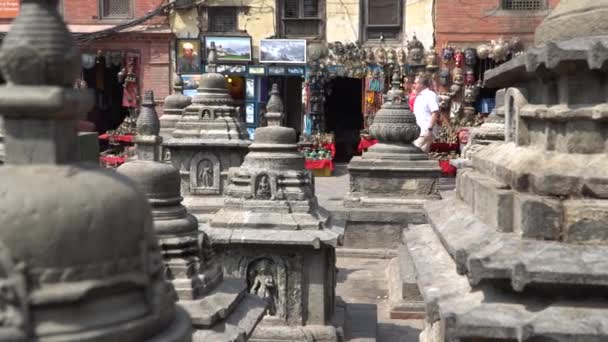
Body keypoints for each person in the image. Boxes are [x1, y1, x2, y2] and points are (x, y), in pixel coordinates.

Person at [412, 74, 440, 153]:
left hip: (425, 130)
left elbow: (435, 112)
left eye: (416, 83)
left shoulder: (430, 95)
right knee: (420, 156)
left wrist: (429, 129)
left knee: (416, 153)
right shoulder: (419, 96)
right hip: (418, 131)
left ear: (422, 85)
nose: (414, 85)